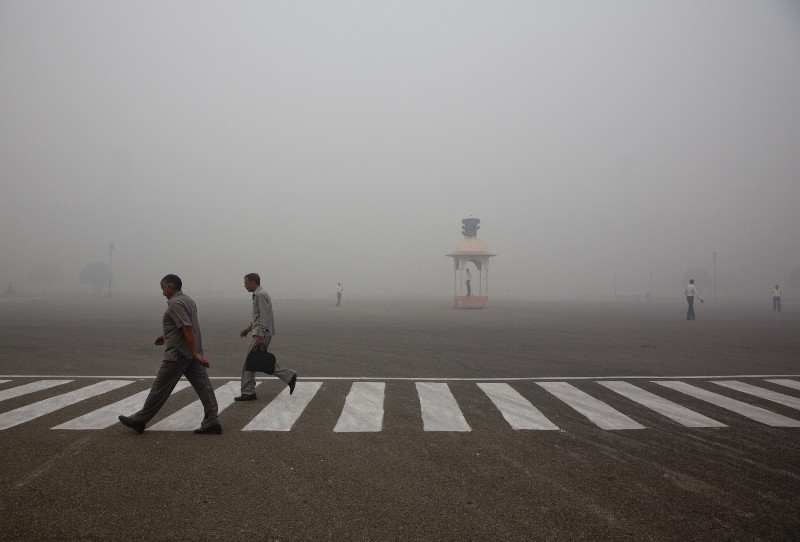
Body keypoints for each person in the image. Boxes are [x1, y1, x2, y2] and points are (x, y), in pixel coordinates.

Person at [119, 274, 221, 434]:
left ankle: (139, 420)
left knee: (160, 388)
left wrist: (194, 352)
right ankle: (212, 420)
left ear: (171, 287)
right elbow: (181, 327)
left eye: (163, 288)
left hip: (179, 355)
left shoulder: (175, 304)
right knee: (204, 387)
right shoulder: (189, 300)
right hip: (190, 353)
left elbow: (187, 328)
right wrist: (166, 337)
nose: (162, 292)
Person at [235, 273, 297, 401]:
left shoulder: (260, 295)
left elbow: (265, 316)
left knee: (250, 362)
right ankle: (289, 376)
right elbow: (258, 317)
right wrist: (247, 329)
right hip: (259, 332)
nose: (244, 285)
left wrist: (262, 335)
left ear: (253, 282)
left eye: (245, 282)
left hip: (260, 334)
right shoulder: (258, 294)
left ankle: (248, 392)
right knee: (258, 361)